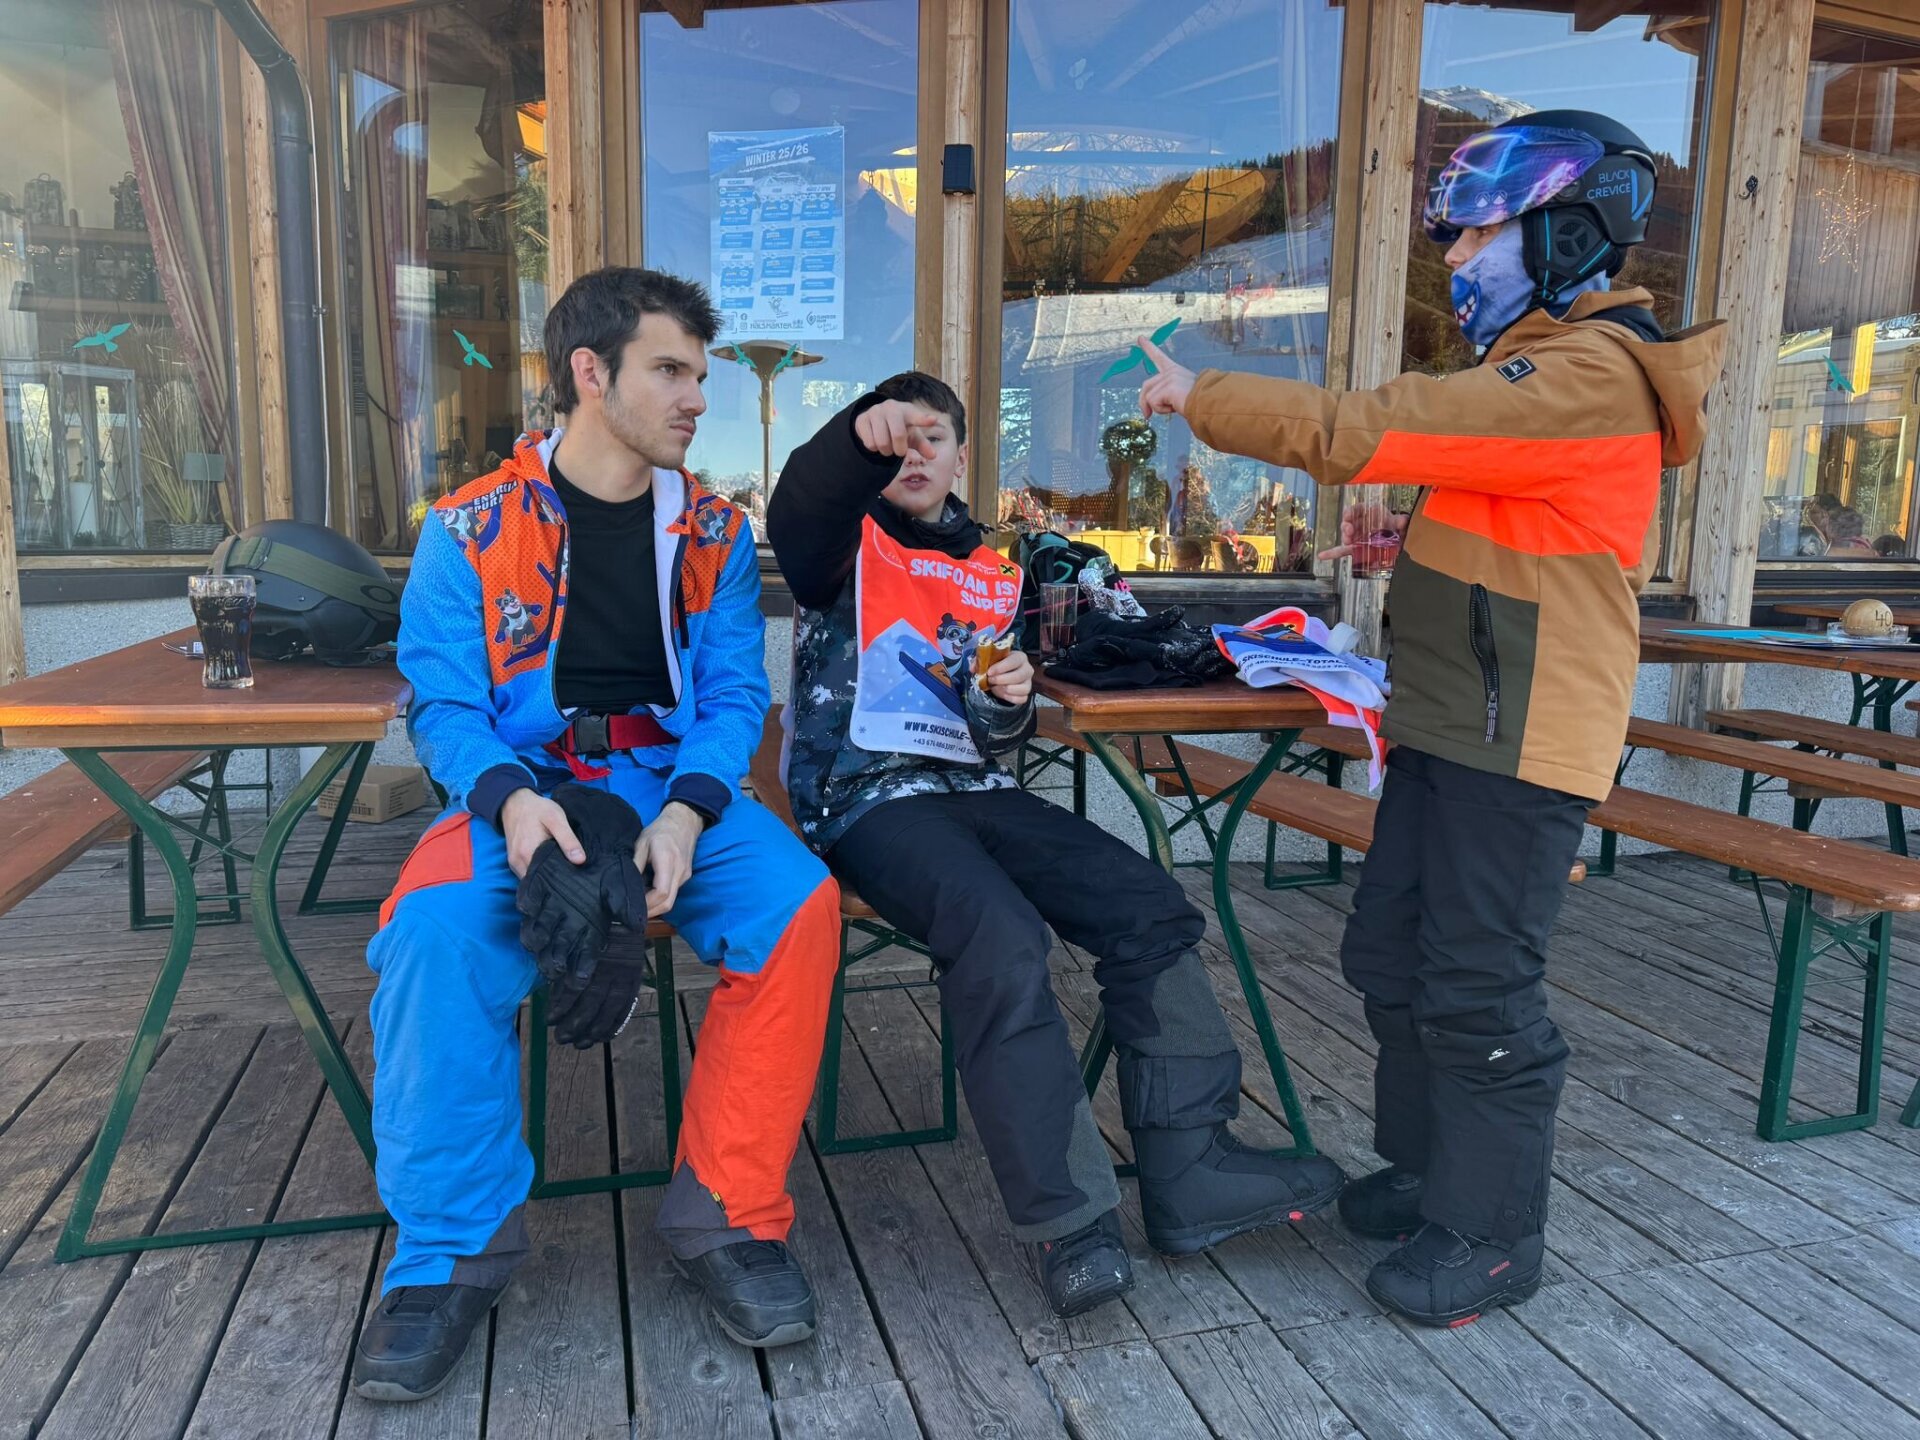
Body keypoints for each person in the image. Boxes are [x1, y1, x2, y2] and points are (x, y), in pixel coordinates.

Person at [1138, 111, 1726, 1326]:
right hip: (1453, 725)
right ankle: (1429, 1176)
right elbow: (1502, 522)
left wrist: (1206, 396)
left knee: (1478, 989)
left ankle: (1494, 1236)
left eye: (1474, 237)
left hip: (1523, 740)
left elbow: (1375, 427)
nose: (1454, 260)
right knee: (1392, 961)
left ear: (1567, 234)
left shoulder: (1589, 375)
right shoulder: (1545, 370)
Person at [352, 268, 841, 1401]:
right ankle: (448, 1253)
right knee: (430, 933)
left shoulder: (717, 533)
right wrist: (511, 804)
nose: (696, 398)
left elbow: (734, 695)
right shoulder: (466, 527)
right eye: (670, 371)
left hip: (670, 783)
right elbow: (443, 703)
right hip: (522, 785)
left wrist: (687, 811)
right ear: (590, 372)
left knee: (798, 905)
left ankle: (729, 1214)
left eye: (699, 375)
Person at [766, 371, 1346, 1321]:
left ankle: (1191, 1166)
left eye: (932, 439)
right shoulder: (839, 544)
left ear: (962, 458)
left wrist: (1009, 701)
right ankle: (1070, 1221)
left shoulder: (991, 571)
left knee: (1150, 905)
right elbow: (801, 500)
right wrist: (855, 437)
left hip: (976, 791)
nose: (914, 454)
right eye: (898, 440)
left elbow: (997, 739)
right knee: (1000, 934)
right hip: (867, 803)